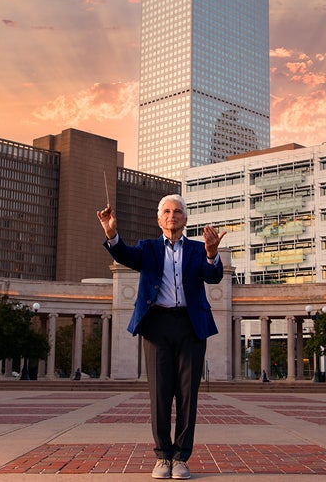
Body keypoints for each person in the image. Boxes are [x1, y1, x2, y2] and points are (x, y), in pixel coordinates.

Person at [97, 194, 225, 480]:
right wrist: (111, 232)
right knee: (160, 393)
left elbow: (213, 276)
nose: (172, 215)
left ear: (185, 219)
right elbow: (124, 255)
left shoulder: (197, 249)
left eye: (178, 211)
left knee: (188, 395)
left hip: (191, 327)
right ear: (159, 219)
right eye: (167, 211)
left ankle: (181, 457)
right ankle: (163, 456)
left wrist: (212, 253)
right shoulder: (148, 248)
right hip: (157, 326)